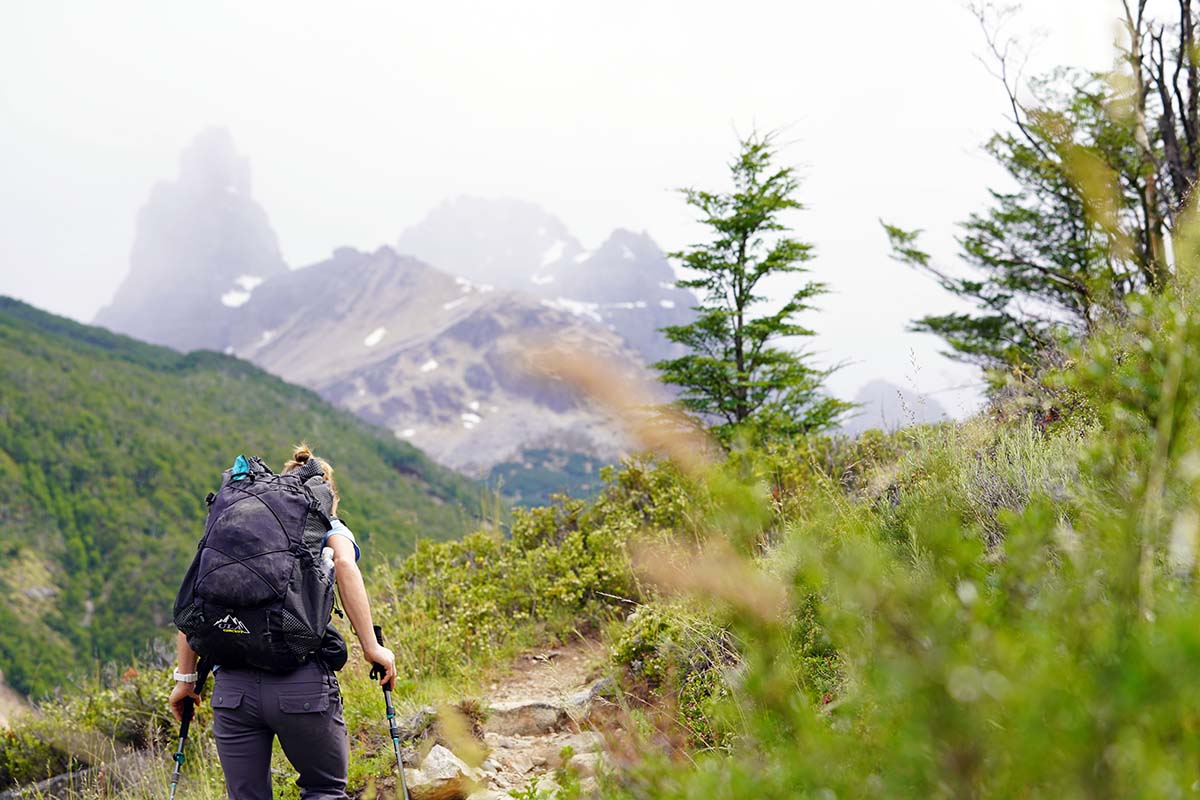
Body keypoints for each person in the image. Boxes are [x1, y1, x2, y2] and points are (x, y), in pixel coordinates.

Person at [168, 445, 396, 800]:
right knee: (323, 789)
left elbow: (202, 595)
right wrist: (372, 648)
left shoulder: (234, 526)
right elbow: (345, 566)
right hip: (300, 686)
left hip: (233, 691)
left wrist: (185, 679)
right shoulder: (325, 524)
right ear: (327, 496)